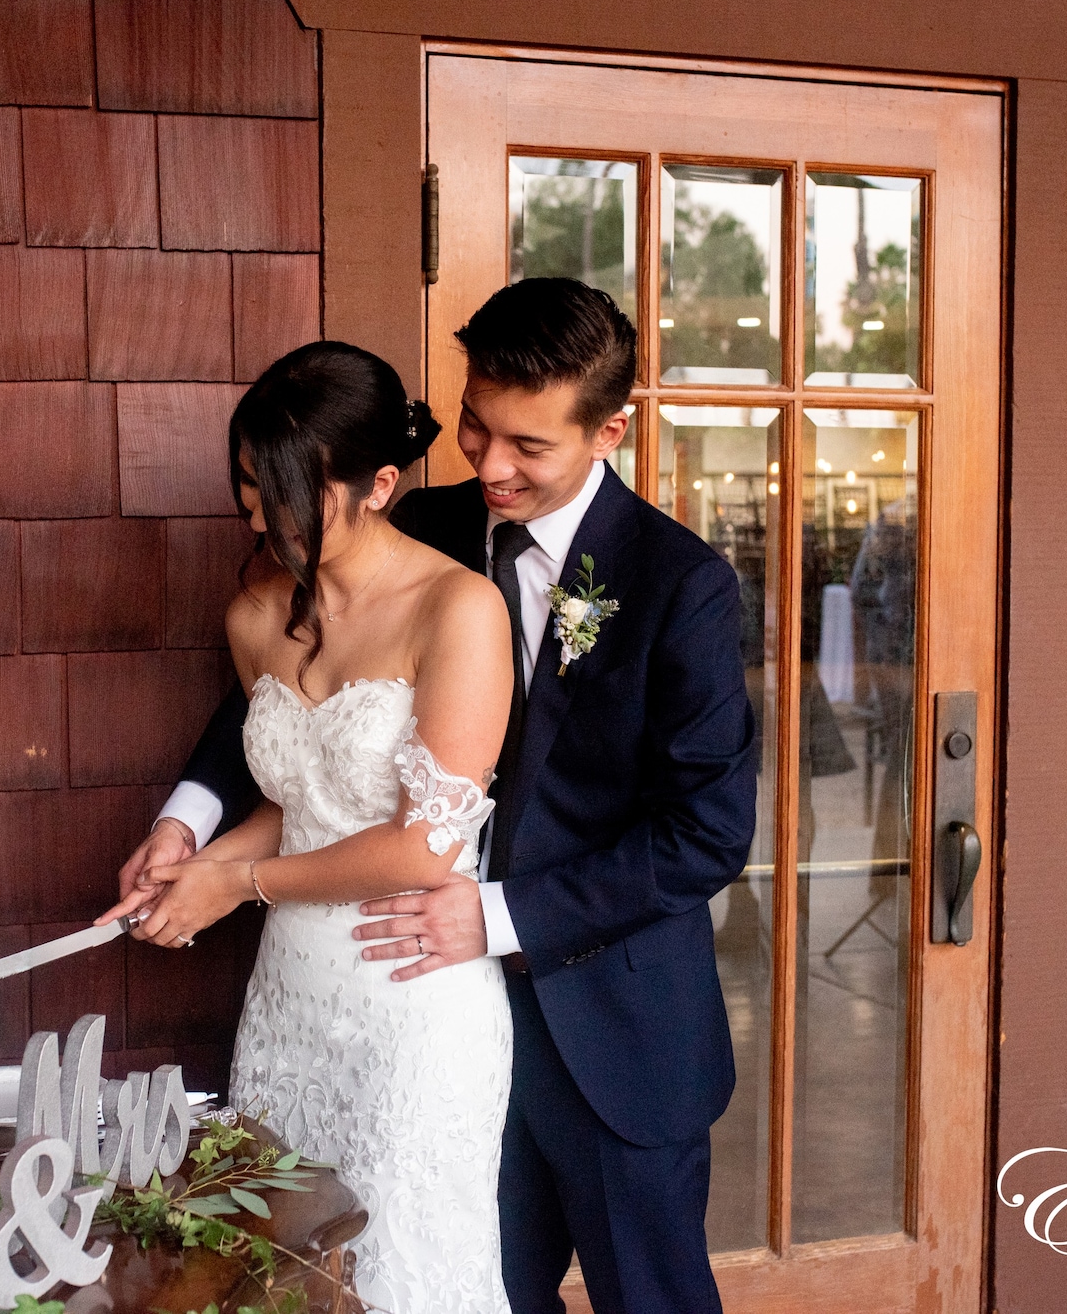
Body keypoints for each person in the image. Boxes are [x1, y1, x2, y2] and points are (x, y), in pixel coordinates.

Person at [112, 279, 759, 1314]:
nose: (489, 466)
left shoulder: (680, 585)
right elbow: (297, 705)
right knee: (464, 1281)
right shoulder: (419, 523)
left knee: (650, 1296)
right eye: (472, 427)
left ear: (609, 432)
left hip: (600, 1020)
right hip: (417, 1014)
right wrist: (186, 817)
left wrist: (499, 913)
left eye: (528, 447)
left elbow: (704, 833)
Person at [125, 340, 517, 1314]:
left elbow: (420, 845)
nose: (263, 518)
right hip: (288, 996)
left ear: (378, 484)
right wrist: (193, 861)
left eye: (289, 494)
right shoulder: (256, 614)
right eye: (250, 489)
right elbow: (292, 799)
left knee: (398, 1271)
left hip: (411, 1001)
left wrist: (238, 886)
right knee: (278, 1270)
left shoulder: (457, 608)